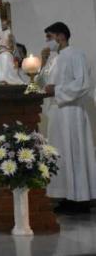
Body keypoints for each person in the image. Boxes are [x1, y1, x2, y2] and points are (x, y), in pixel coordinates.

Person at [42, 22, 96, 213]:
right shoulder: (54, 59)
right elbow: (43, 84)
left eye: (49, 37)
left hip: (71, 112)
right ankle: (65, 195)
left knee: (74, 152)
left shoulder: (76, 54)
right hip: (57, 113)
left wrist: (57, 90)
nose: (47, 42)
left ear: (61, 36)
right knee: (60, 154)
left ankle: (79, 198)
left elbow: (82, 84)